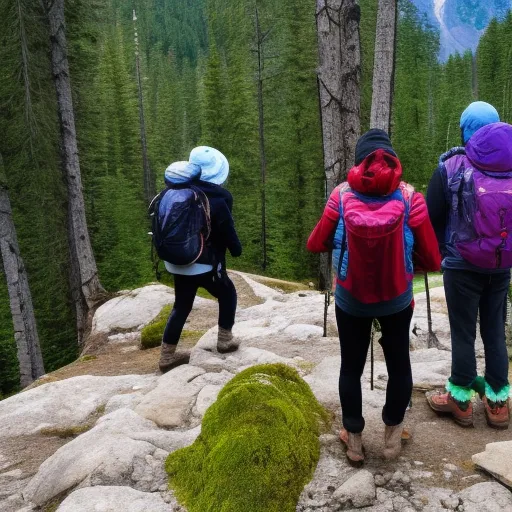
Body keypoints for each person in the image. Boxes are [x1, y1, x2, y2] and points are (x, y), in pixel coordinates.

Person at [307, 129, 441, 465]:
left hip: (351, 299)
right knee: (399, 365)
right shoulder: (411, 198)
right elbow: (433, 259)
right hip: (397, 299)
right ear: (393, 160)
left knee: (350, 367)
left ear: (359, 162)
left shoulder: (341, 196)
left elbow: (315, 243)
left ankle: (354, 441)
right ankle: (393, 438)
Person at [426, 102, 512, 429]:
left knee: (463, 333)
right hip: (501, 264)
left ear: (465, 129)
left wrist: (436, 253)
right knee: (494, 330)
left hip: (461, 265)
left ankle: (460, 402)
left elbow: (431, 216)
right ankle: (498, 403)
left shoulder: (451, 167)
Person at [157, 147, 242, 373]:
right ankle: (225, 340)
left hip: (178, 262)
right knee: (227, 293)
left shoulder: (180, 192)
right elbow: (226, 229)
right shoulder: (218, 199)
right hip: (205, 263)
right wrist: (236, 249)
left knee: (182, 305)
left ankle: (167, 355)